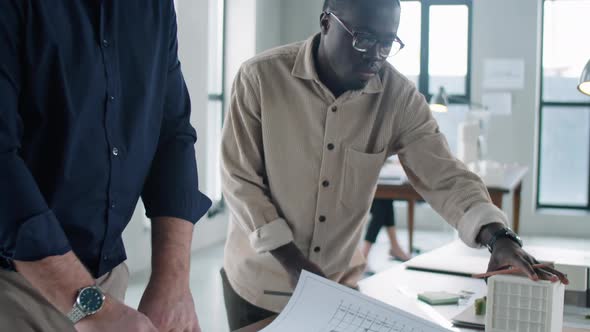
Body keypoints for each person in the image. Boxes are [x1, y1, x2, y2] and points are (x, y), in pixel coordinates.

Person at [220, 0, 568, 329]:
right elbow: (240, 180)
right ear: (326, 22)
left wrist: (499, 238)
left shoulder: (398, 97)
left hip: (337, 286)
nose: (376, 56)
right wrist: (294, 263)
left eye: (388, 43)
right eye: (364, 39)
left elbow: (444, 174)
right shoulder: (260, 78)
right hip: (258, 285)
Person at [0, 1, 211, 331]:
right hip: (12, 289)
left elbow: (172, 135)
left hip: (107, 280)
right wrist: (89, 307)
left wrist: (174, 282)